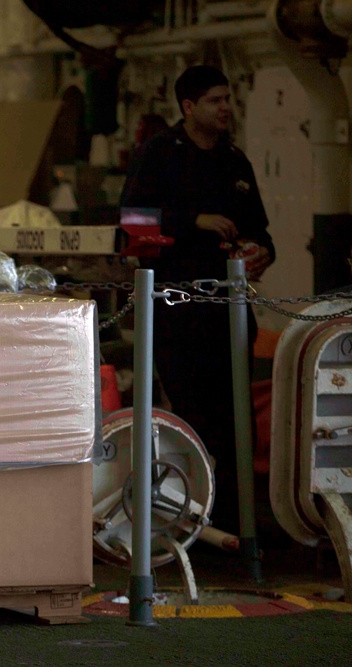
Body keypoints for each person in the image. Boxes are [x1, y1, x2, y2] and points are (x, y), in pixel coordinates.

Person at [119, 65, 275, 536]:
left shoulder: (234, 160)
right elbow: (131, 228)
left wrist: (264, 250)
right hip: (177, 312)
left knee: (235, 421)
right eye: (215, 100)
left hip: (229, 311)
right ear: (188, 107)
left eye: (228, 99)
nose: (225, 107)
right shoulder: (159, 156)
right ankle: (192, 520)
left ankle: (236, 523)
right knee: (193, 419)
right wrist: (193, 221)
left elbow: (259, 227)